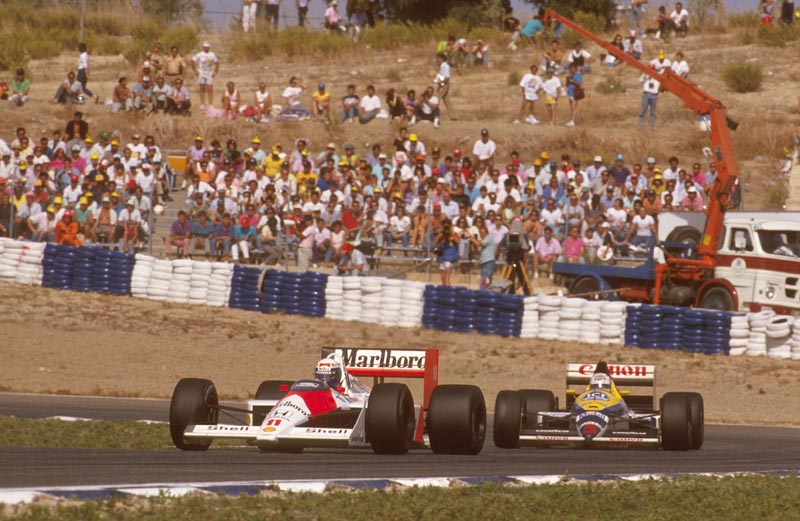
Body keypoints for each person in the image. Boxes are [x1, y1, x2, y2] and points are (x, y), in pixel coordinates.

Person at [192, 41, 219, 110]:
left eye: (207, 47)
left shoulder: (212, 54)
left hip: (209, 73)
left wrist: (215, 72)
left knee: (210, 88)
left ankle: (210, 104)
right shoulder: (200, 54)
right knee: (202, 88)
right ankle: (202, 104)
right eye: (205, 47)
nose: (206, 48)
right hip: (201, 73)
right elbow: (193, 61)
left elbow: (217, 63)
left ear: (209, 48)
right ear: (203, 48)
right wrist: (195, 70)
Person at [434, 218, 460, 285]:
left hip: (450, 257)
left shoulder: (454, 233)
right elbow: (435, 243)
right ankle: (445, 290)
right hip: (442, 257)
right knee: (443, 277)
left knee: (447, 277)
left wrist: (451, 233)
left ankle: (448, 290)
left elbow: (458, 242)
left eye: (447, 226)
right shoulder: (441, 234)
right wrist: (441, 235)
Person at [469, 224, 496, 290]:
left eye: (483, 233)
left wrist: (470, 237)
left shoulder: (488, 239)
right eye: (481, 233)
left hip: (489, 262)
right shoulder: (483, 241)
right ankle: (486, 290)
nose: (482, 235)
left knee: (485, 278)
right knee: (485, 278)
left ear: (487, 233)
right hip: (484, 262)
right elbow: (477, 250)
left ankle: (483, 290)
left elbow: (478, 244)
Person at [435, 53, 455, 121]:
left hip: (444, 85)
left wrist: (441, 82)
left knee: (436, 99)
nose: (437, 60)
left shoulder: (445, 66)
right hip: (443, 85)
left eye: (438, 58)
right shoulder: (443, 66)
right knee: (447, 101)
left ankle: (432, 115)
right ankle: (453, 116)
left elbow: (447, 77)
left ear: (442, 59)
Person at [565, 62, 583, 128]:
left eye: (572, 68)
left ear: (575, 68)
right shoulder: (572, 75)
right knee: (571, 108)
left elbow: (579, 84)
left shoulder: (578, 75)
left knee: (573, 107)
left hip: (575, 93)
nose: (571, 69)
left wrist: (572, 81)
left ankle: (573, 121)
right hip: (570, 93)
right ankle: (572, 120)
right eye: (570, 68)